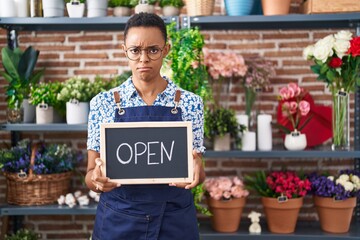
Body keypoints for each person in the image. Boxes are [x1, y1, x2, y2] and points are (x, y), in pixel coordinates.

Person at [86, 12, 206, 240]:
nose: (144, 59)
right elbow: (90, 174)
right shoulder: (103, 103)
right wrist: (97, 180)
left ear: (166, 50)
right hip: (118, 220)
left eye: (153, 50)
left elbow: (198, 172)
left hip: (175, 221)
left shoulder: (191, 103)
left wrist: (197, 170)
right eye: (135, 50)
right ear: (125, 51)